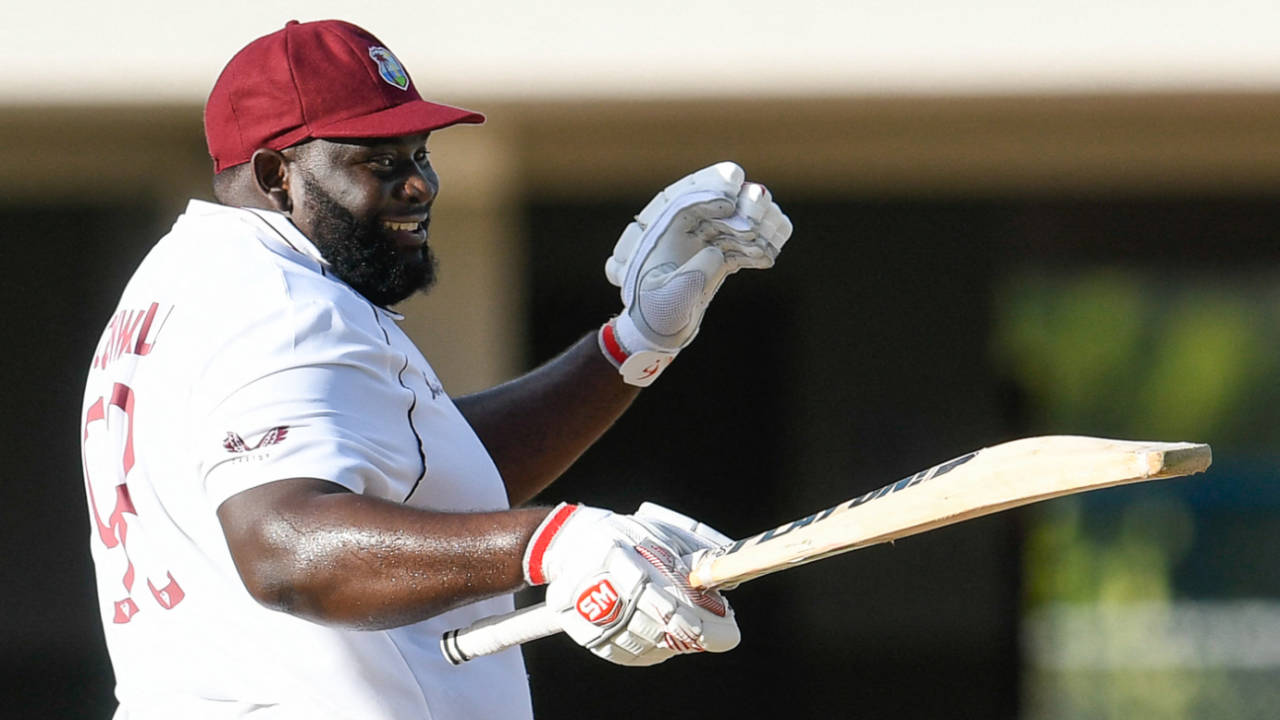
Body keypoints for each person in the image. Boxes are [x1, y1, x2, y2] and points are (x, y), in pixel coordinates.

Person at [79, 18, 791, 720]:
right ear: (277, 176)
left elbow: (430, 476)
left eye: (419, 154)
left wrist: (634, 343)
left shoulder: (182, 284)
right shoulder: (279, 301)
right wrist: (551, 542)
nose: (419, 186)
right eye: (380, 162)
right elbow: (283, 548)